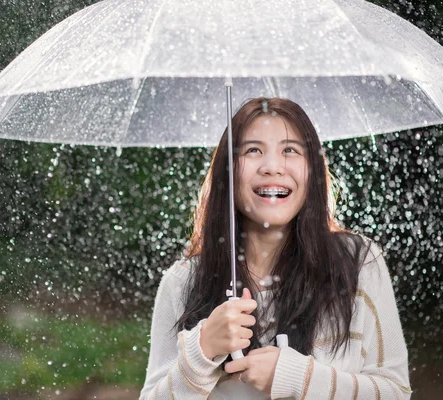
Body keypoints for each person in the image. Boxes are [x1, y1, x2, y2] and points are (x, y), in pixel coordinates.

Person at [139, 97, 411, 399]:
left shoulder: (358, 263)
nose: (272, 167)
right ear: (228, 170)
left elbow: (395, 392)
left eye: (290, 150)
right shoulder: (181, 282)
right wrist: (202, 352)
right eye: (253, 150)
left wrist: (297, 378)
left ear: (313, 171)